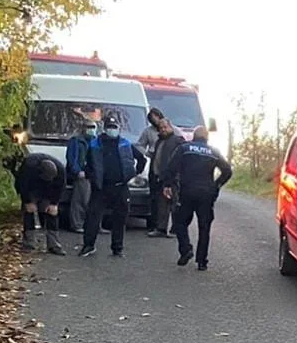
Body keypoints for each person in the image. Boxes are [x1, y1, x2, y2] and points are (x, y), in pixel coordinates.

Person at [162, 125, 232, 270]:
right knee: (204, 227)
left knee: (180, 222)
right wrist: (216, 185)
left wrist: (167, 185)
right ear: (207, 138)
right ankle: (202, 261)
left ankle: (186, 249)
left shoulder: (184, 149)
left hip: (187, 192)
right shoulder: (213, 152)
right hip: (206, 194)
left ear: (194, 136)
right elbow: (227, 171)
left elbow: (171, 167)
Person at [80, 117, 147, 257]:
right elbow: (87, 163)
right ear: (104, 128)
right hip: (100, 187)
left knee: (120, 219)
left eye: (114, 127)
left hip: (120, 187)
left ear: (119, 129)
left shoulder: (125, 144)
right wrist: (92, 176)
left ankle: (117, 248)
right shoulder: (95, 144)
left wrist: (134, 173)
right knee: (92, 217)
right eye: (110, 127)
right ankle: (88, 245)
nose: (112, 130)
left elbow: (141, 159)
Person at [139, 109, 184, 238]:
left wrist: (175, 177)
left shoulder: (177, 141)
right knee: (161, 205)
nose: (163, 129)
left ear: (170, 127)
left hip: (173, 179)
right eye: (161, 128)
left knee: (174, 204)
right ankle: (161, 229)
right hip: (159, 177)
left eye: (165, 127)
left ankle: (175, 230)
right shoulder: (159, 141)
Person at [17, 151, 66, 255]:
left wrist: (54, 203)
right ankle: (29, 243)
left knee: (52, 214)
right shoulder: (29, 167)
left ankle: (54, 245)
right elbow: (22, 185)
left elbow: (60, 188)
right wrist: (27, 201)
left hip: (50, 190)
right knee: (29, 212)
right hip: (31, 188)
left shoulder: (60, 170)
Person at [65, 120, 98, 233]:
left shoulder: (96, 141)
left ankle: (94, 225)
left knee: (96, 200)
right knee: (81, 199)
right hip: (81, 174)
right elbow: (71, 158)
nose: (91, 129)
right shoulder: (76, 141)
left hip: (94, 174)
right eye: (89, 127)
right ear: (83, 128)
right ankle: (77, 224)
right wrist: (77, 171)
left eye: (93, 127)